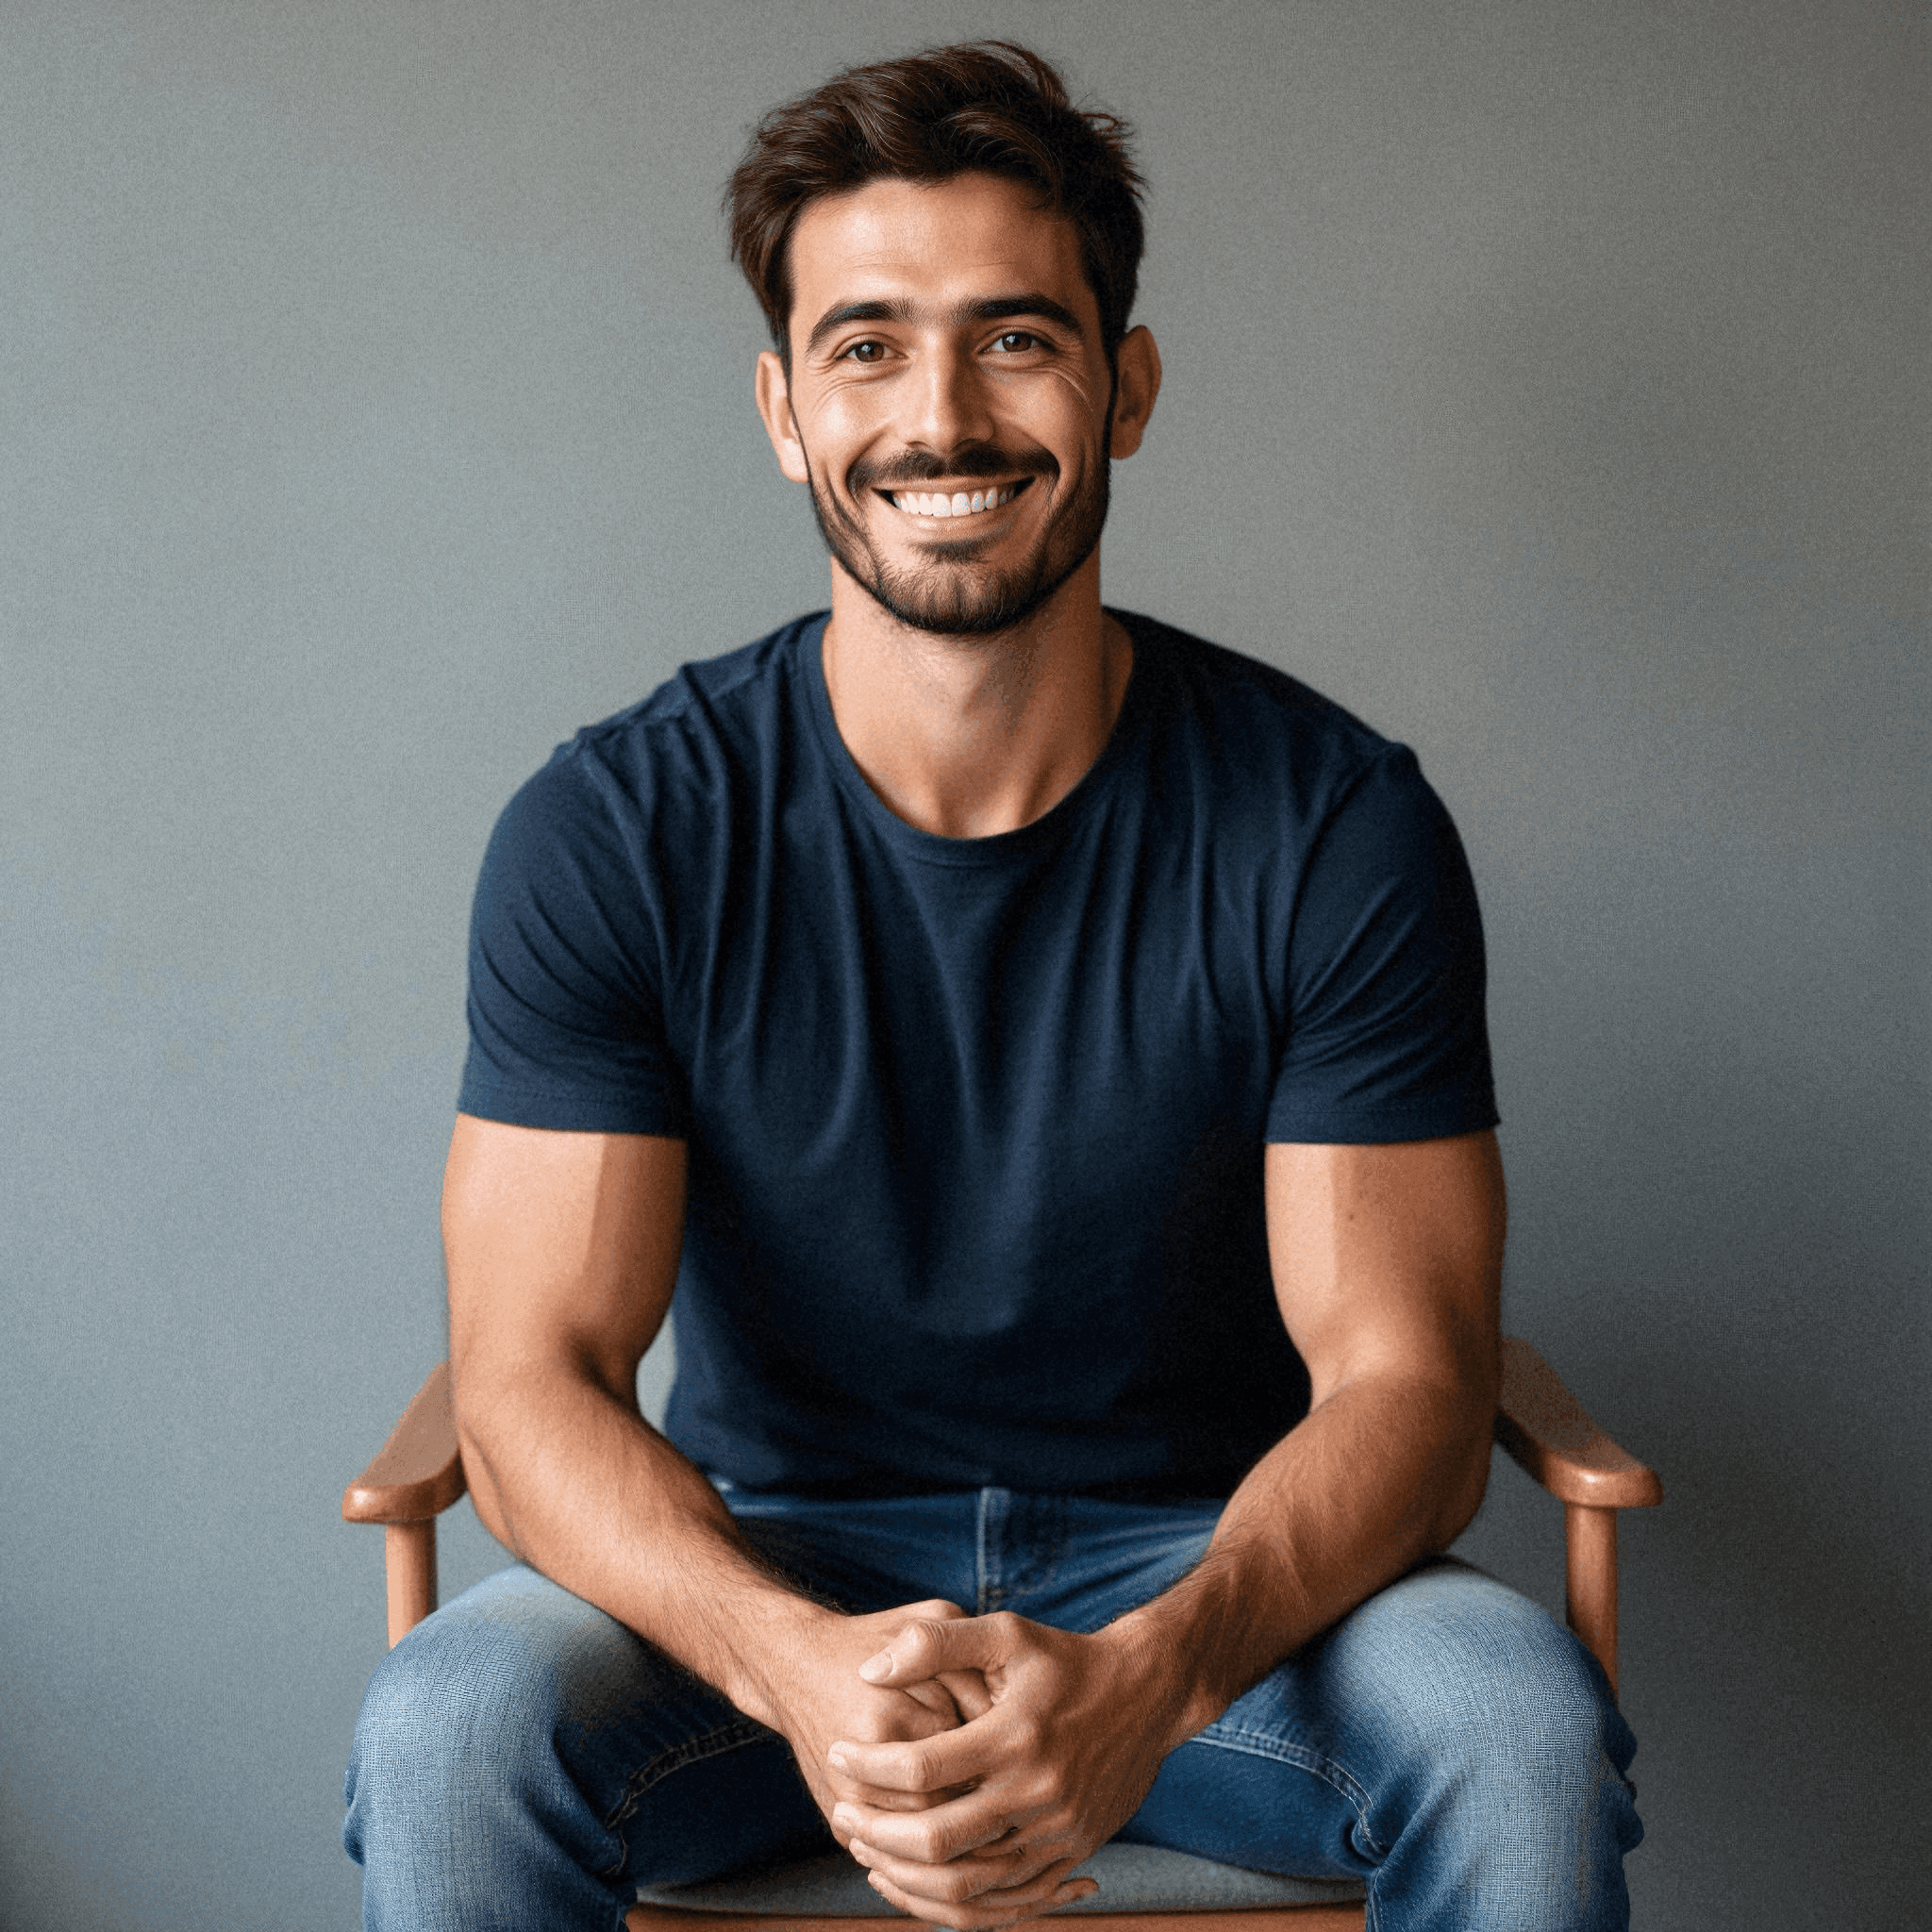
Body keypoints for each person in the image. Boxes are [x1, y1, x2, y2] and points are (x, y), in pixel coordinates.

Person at [344, 41, 1641, 1932]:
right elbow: (530, 1376)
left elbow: (1406, 1381)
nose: (938, 414)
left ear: (1125, 385)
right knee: (451, 1728)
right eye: (866, 344)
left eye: (1014, 337)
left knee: (1512, 1725)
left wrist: (1151, 1676)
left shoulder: (1328, 822)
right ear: (784, 408)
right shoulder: (617, 826)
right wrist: (789, 1658)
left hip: (1218, 1579)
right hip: (763, 1587)